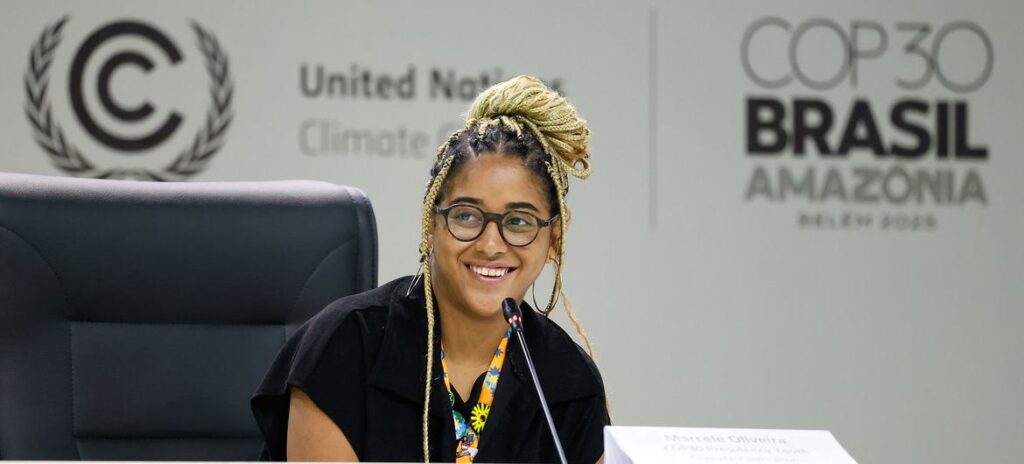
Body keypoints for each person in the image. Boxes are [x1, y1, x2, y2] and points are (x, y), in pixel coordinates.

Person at [251, 75, 609, 463]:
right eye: (467, 216)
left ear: (553, 239)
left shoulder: (568, 382)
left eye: (518, 222)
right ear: (431, 225)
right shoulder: (344, 347)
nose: (490, 244)